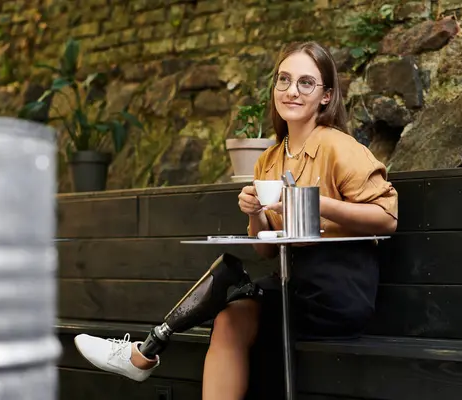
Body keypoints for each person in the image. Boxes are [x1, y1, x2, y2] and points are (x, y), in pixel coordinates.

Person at [73, 41, 398, 400]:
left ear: (326, 96)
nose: (292, 91)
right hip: (291, 279)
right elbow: (264, 250)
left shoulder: (339, 147)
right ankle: (145, 352)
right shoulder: (269, 160)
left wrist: (318, 203)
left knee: (238, 305)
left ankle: (145, 351)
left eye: (306, 83)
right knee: (229, 314)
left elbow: (386, 218)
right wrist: (256, 213)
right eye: (284, 80)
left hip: (340, 286)